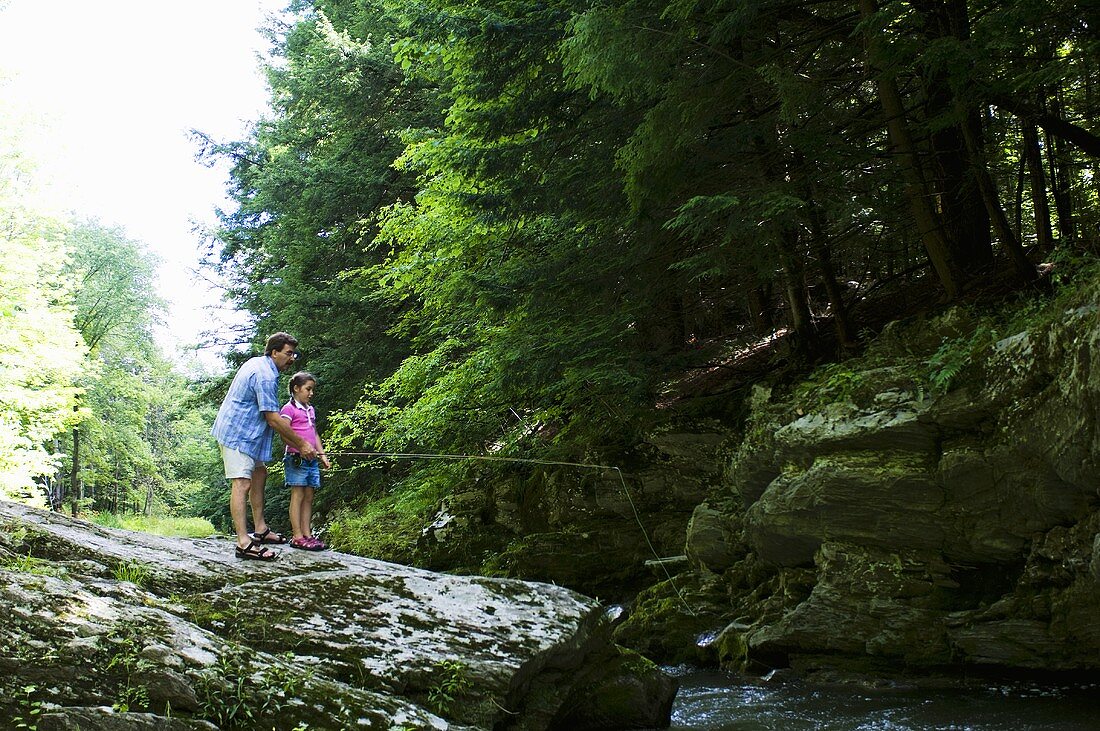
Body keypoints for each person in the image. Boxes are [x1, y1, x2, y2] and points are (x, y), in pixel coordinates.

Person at [212, 332, 318, 560]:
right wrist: (302, 444)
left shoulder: (264, 366)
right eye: (288, 353)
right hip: (237, 433)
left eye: (293, 354)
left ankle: (260, 529)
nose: (292, 358)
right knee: (242, 483)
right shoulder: (264, 375)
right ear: (274, 352)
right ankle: (243, 542)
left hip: (251, 434)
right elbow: (272, 418)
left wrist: (301, 444)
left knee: (260, 472)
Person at [280, 371, 331, 550]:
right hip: (296, 459)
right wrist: (299, 448)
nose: (311, 393)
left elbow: (314, 433)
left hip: (312, 459)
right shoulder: (289, 409)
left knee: (309, 496)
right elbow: (284, 433)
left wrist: (322, 454)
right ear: (296, 388)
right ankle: (297, 535)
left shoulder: (310, 409)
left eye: (312, 390)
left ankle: (307, 534)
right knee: (298, 494)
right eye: (308, 389)